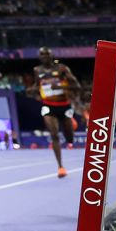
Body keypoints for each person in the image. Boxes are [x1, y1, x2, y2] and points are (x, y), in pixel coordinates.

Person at [33, 47, 82, 178]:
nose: (44, 56)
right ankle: (60, 167)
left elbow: (77, 86)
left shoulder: (62, 69)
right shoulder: (37, 70)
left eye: (47, 54)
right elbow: (37, 86)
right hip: (48, 106)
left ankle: (71, 126)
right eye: (42, 54)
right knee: (54, 135)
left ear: (51, 55)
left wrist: (60, 87)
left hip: (64, 105)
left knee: (69, 138)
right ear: (39, 57)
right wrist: (33, 91)